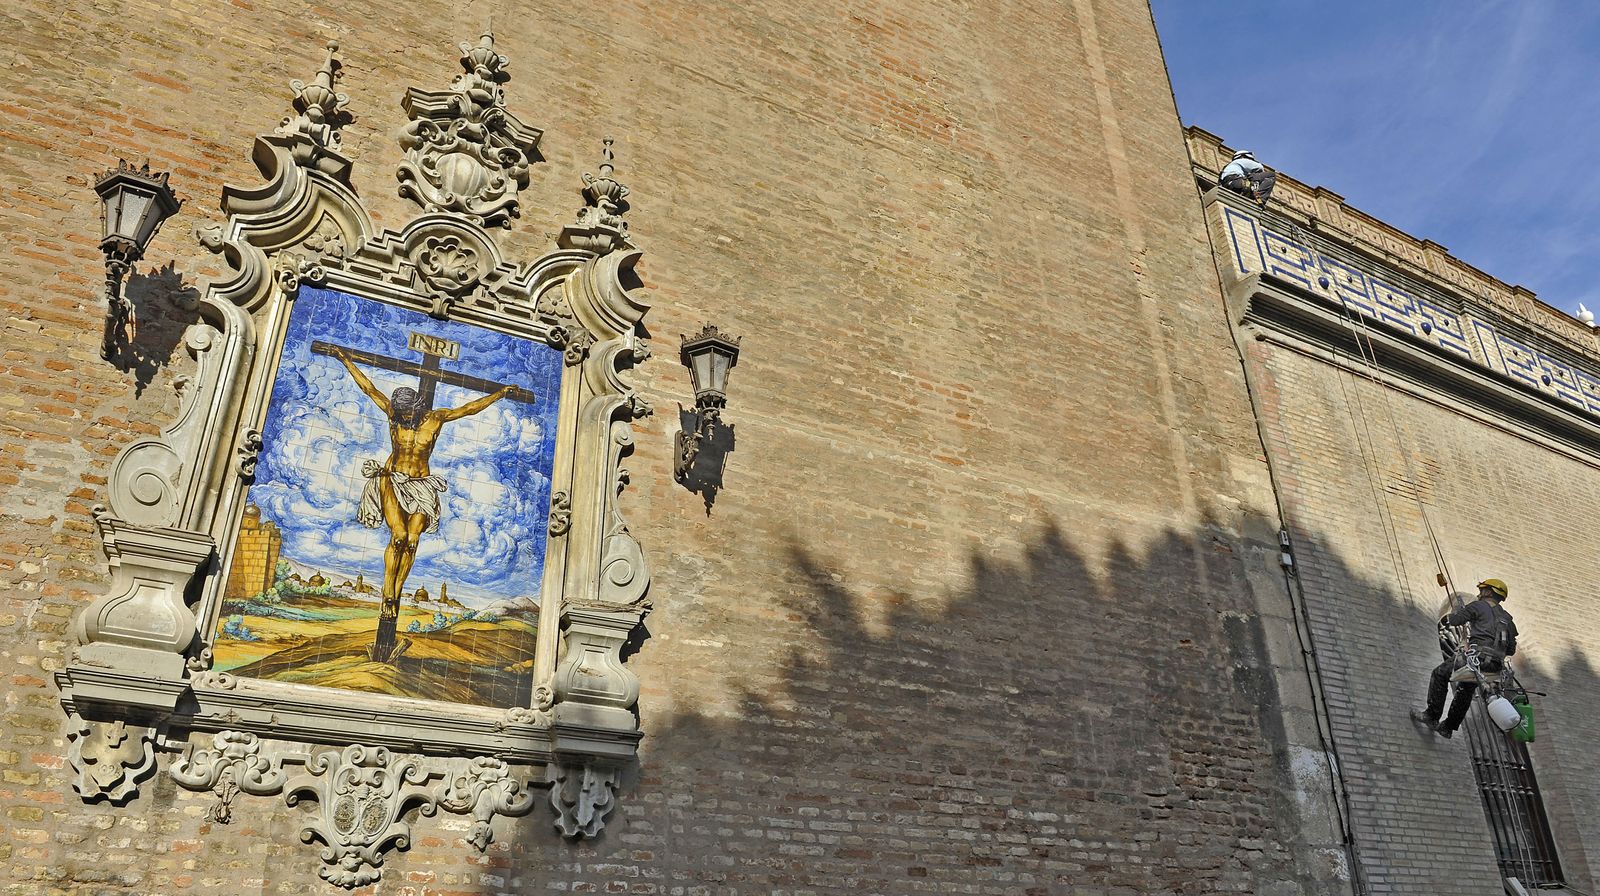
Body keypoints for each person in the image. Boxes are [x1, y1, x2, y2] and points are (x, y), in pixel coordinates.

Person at [331, 346, 514, 662]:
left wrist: (499, 394)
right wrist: (345, 359)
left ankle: (398, 590)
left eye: (408, 414)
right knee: (398, 537)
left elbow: (470, 408)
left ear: (417, 409)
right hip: (394, 481)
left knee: (413, 541)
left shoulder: (436, 418)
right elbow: (368, 388)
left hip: (423, 485)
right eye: (401, 415)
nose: (404, 419)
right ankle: (388, 590)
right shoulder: (393, 416)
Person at [1415, 579, 1518, 738]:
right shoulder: (1508, 620)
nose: (1480, 593)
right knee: (1466, 689)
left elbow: (1454, 620)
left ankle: (1432, 716)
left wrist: (1463, 612)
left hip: (1475, 658)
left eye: (1483, 590)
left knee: (1440, 674)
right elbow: (1510, 650)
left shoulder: (1479, 606)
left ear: (1489, 592)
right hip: (1494, 667)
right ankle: (1447, 727)